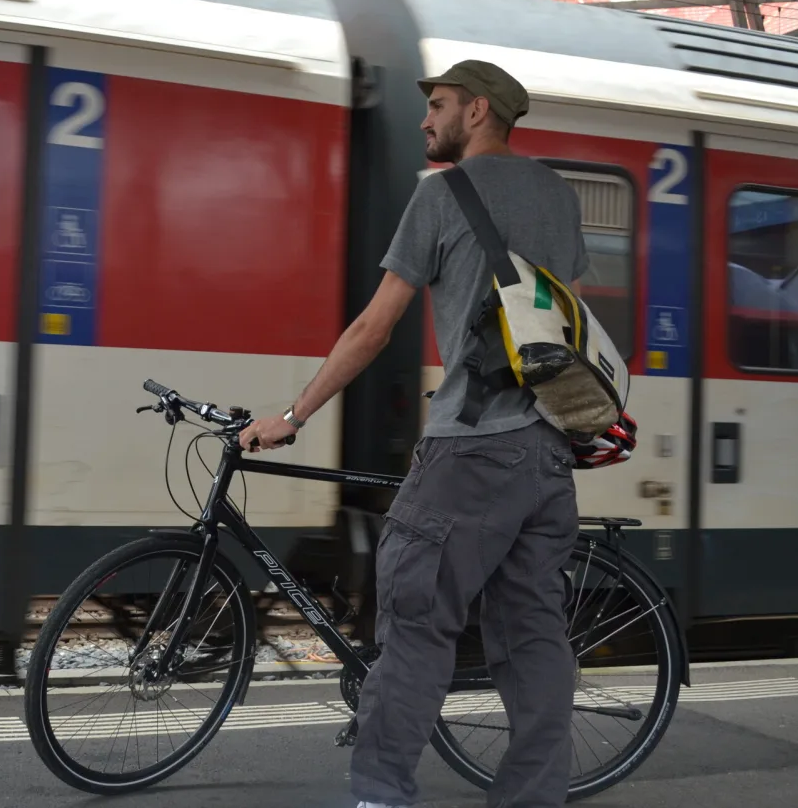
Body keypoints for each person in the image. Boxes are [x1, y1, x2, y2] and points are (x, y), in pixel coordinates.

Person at [238, 59, 588, 808]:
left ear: (480, 111)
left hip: (470, 447)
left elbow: (374, 326)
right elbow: (570, 322)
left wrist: (293, 417)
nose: (426, 121)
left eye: (438, 106)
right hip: (546, 454)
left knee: (416, 626)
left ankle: (381, 795)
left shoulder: (440, 196)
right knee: (532, 636)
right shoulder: (559, 196)